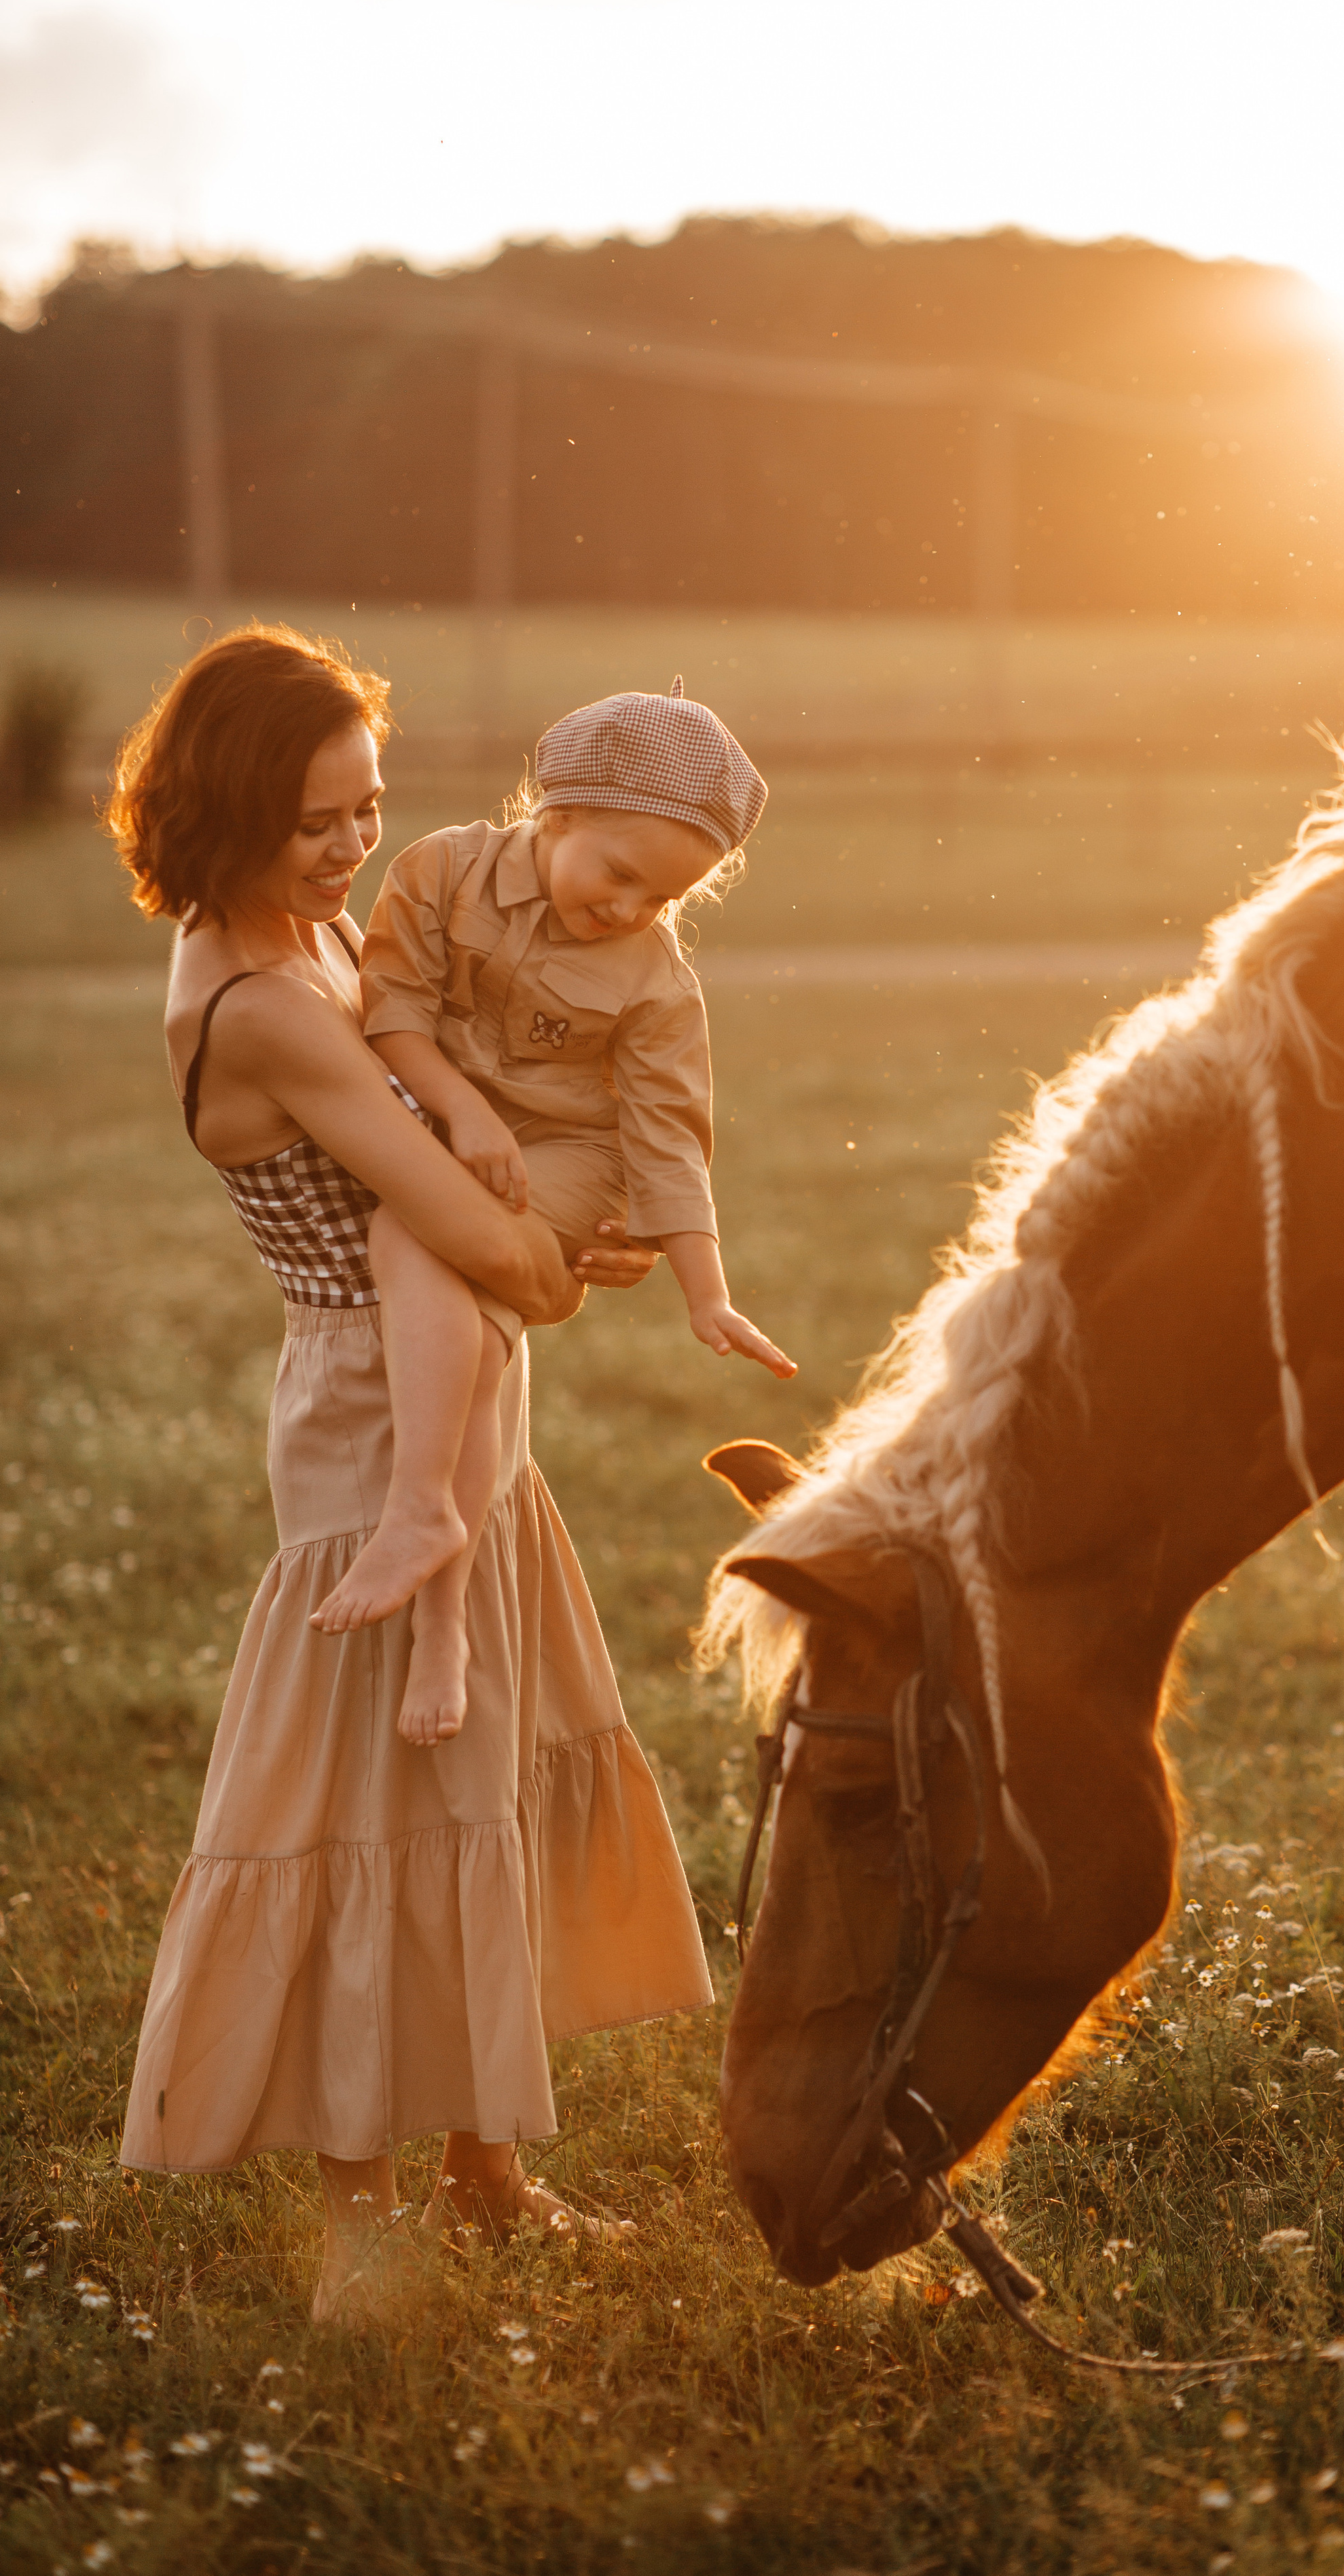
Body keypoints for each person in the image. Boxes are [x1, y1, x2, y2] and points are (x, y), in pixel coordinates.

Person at [111, 625, 713, 2319]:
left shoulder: (312, 931)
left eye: (366, 805)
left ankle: (488, 2171)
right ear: (223, 807)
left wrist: (551, 1225)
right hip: (375, 1427)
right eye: (316, 819)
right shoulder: (253, 1003)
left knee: (483, 1766)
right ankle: (361, 2219)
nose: (351, 844)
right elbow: (462, 1237)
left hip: (457, 1403)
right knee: (373, 1799)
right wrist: (559, 1248)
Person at [307, 681, 796, 1752]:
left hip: (571, 1165)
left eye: (662, 900)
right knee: (475, 1338)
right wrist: (465, 1110)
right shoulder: (438, 870)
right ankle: (444, 1618)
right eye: (619, 875)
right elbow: (394, 1012)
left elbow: (666, 1133)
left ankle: (420, 1516)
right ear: (556, 811)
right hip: (452, 1122)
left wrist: (704, 1288)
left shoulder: (657, 981)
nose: (629, 910)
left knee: (412, 1235)